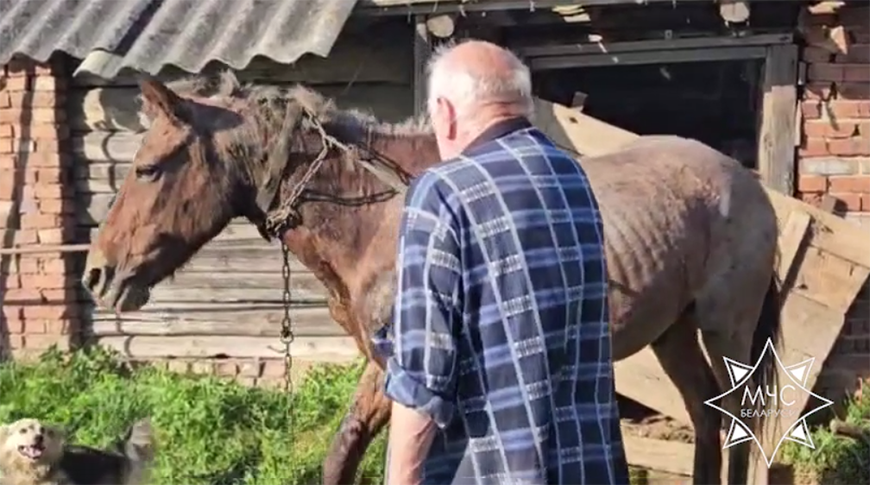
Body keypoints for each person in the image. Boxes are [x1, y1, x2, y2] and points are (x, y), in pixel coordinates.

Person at [374, 40, 629, 485]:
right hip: (590, 468)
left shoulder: (442, 192)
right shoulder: (572, 177)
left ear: (445, 111)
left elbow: (422, 375)